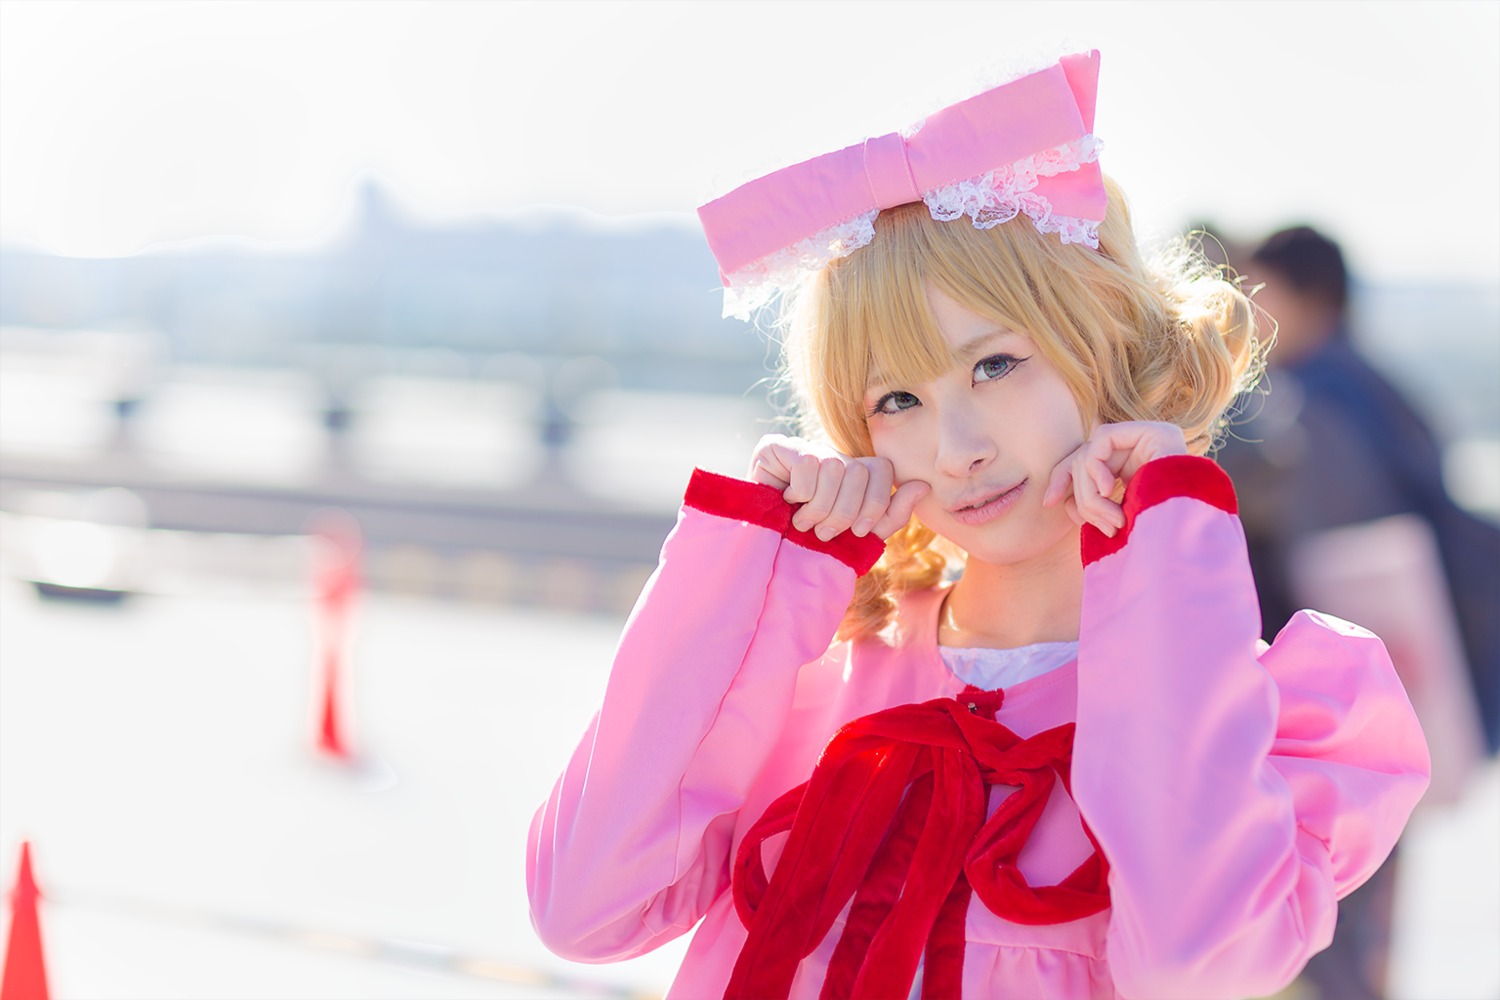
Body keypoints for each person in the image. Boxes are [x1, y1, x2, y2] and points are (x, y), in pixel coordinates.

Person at [526, 53, 1430, 998]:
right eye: (899, 398)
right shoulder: (807, 685)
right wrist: (762, 568)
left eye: (995, 367)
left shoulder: (1276, 716)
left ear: (1104, 349)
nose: (954, 446)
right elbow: (586, 906)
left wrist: (1162, 537)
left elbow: (1195, 960)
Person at [1216, 225, 1494, 999]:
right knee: (1367, 918)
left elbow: (1343, 564)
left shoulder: (1313, 403)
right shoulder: (1381, 387)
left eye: (1260, 295)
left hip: (1339, 707)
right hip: (1394, 702)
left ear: (1309, 299)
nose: (1248, 316)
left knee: (1336, 917)